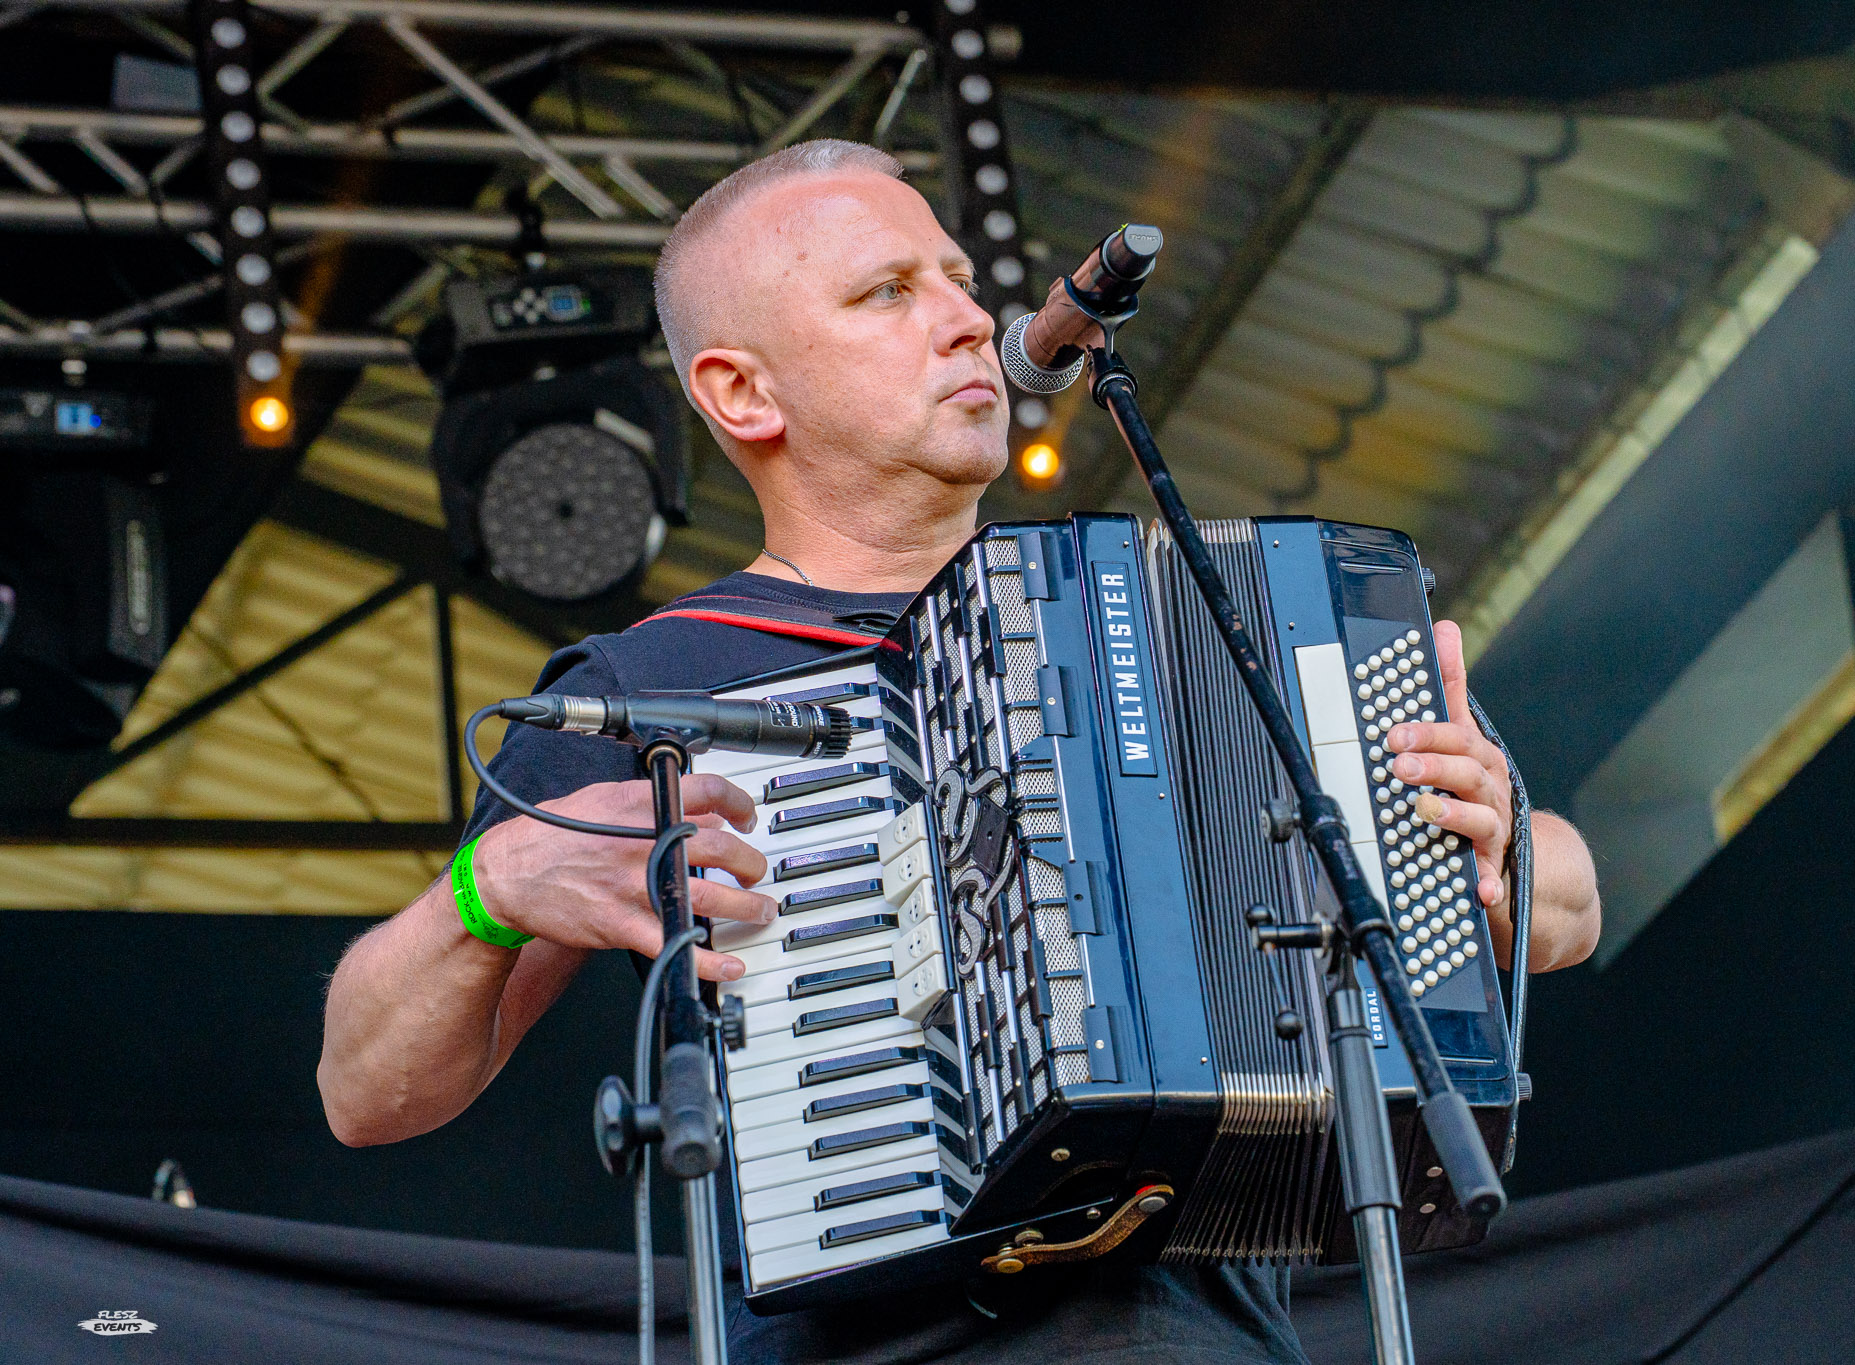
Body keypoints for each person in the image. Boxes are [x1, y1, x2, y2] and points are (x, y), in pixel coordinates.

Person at [318, 138, 1602, 1363]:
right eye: (886, 293)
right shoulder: (649, 687)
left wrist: (1480, 848)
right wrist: (487, 891)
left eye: (958, 280)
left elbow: (1570, 904)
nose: (964, 320)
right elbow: (368, 1093)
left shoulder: (1197, 616)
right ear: (742, 392)